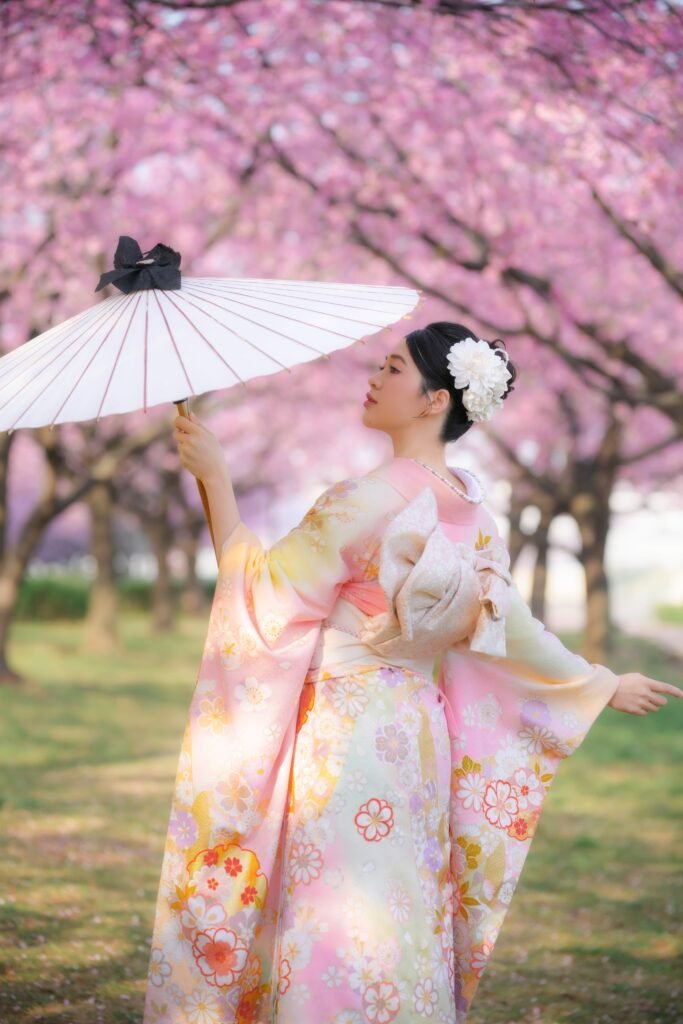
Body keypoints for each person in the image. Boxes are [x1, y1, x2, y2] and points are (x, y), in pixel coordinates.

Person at [144, 322, 681, 1024]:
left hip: (343, 729)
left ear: (433, 400)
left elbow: (264, 597)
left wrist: (214, 480)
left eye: (391, 368)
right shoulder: (473, 511)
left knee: (336, 901)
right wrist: (598, 682)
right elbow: (511, 628)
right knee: (394, 898)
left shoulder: (365, 498)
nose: (372, 377)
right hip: (414, 727)